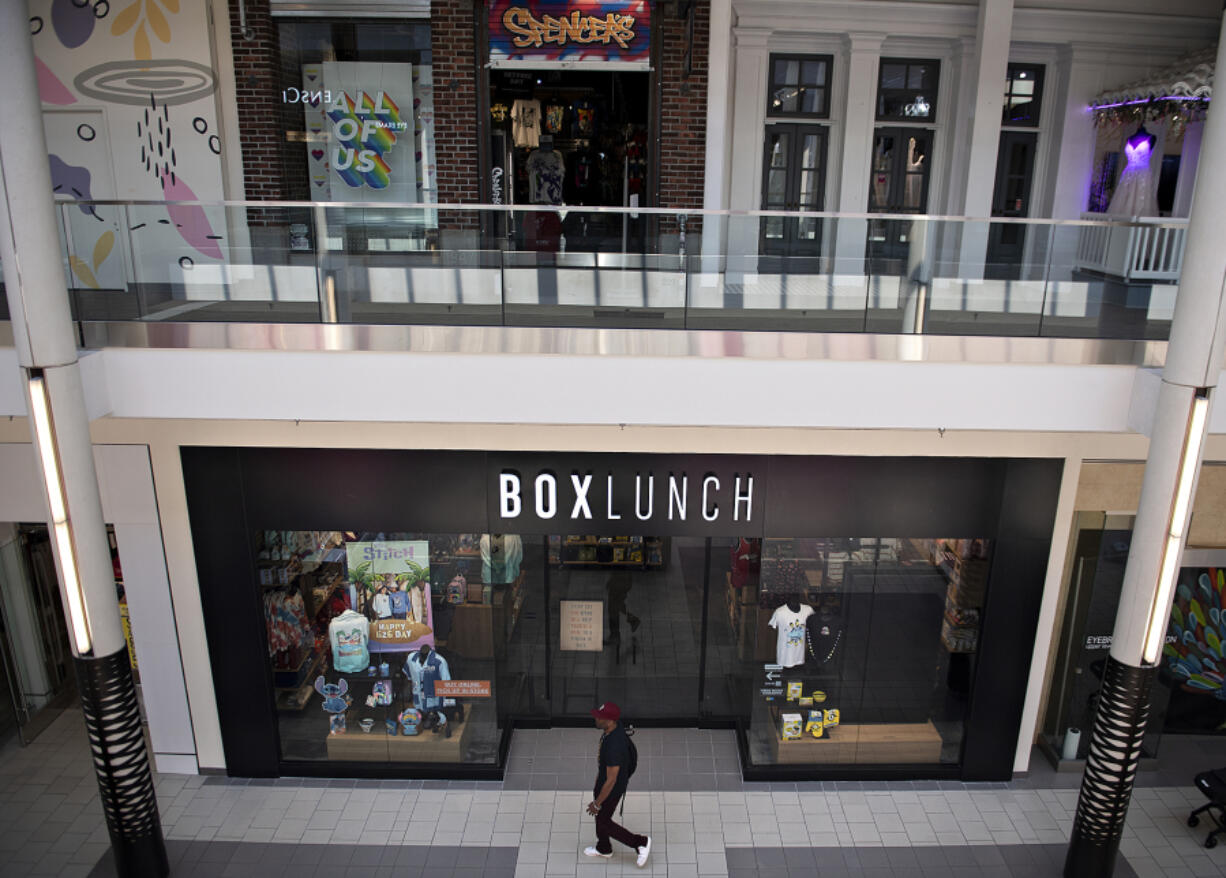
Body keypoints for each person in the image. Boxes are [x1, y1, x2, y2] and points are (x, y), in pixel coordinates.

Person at [584, 702, 651, 867]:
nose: (596, 718)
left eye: (600, 717)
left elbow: (612, 779)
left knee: (604, 822)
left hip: (611, 789)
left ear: (610, 720)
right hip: (604, 784)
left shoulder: (614, 745)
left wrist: (597, 802)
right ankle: (604, 848)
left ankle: (640, 842)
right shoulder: (613, 729)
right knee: (601, 819)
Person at [605, 571, 641, 644]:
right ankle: (632, 619)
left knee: (613, 608)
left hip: (620, 581)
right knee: (617, 604)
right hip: (621, 579)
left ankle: (615, 636)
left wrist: (612, 580)